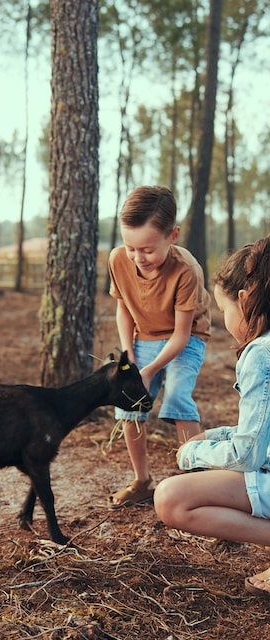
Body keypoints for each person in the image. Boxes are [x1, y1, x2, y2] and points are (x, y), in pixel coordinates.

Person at [153, 237, 270, 597]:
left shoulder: (260, 354)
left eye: (224, 309)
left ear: (246, 300)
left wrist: (193, 454)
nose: (225, 319)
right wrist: (214, 435)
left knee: (171, 498)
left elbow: (248, 453)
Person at [108, 185, 211, 509]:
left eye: (148, 250)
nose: (139, 258)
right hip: (144, 336)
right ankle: (142, 481)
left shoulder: (186, 270)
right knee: (130, 403)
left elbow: (180, 334)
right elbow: (123, 307)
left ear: (173, 236)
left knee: (178, 397)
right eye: (131, 248)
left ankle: (199, 484)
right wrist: (131, 355)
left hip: (187, 336)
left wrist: (151, 371)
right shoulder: (118, 260)